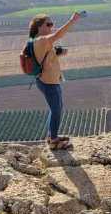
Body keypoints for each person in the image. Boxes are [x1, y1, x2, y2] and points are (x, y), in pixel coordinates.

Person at [29, 12, 82, 150]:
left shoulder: (40, 41)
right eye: (48, 24)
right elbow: (58, 34)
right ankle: (54, 141)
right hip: (48, 82)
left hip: (49, 81)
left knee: (55, 109)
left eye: (52, 24)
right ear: (39, 26)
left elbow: (46, 57)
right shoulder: (41, 40)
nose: (51, 26)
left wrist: (58, 52)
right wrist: (72, 20)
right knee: (56, 110)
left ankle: (51, 135)